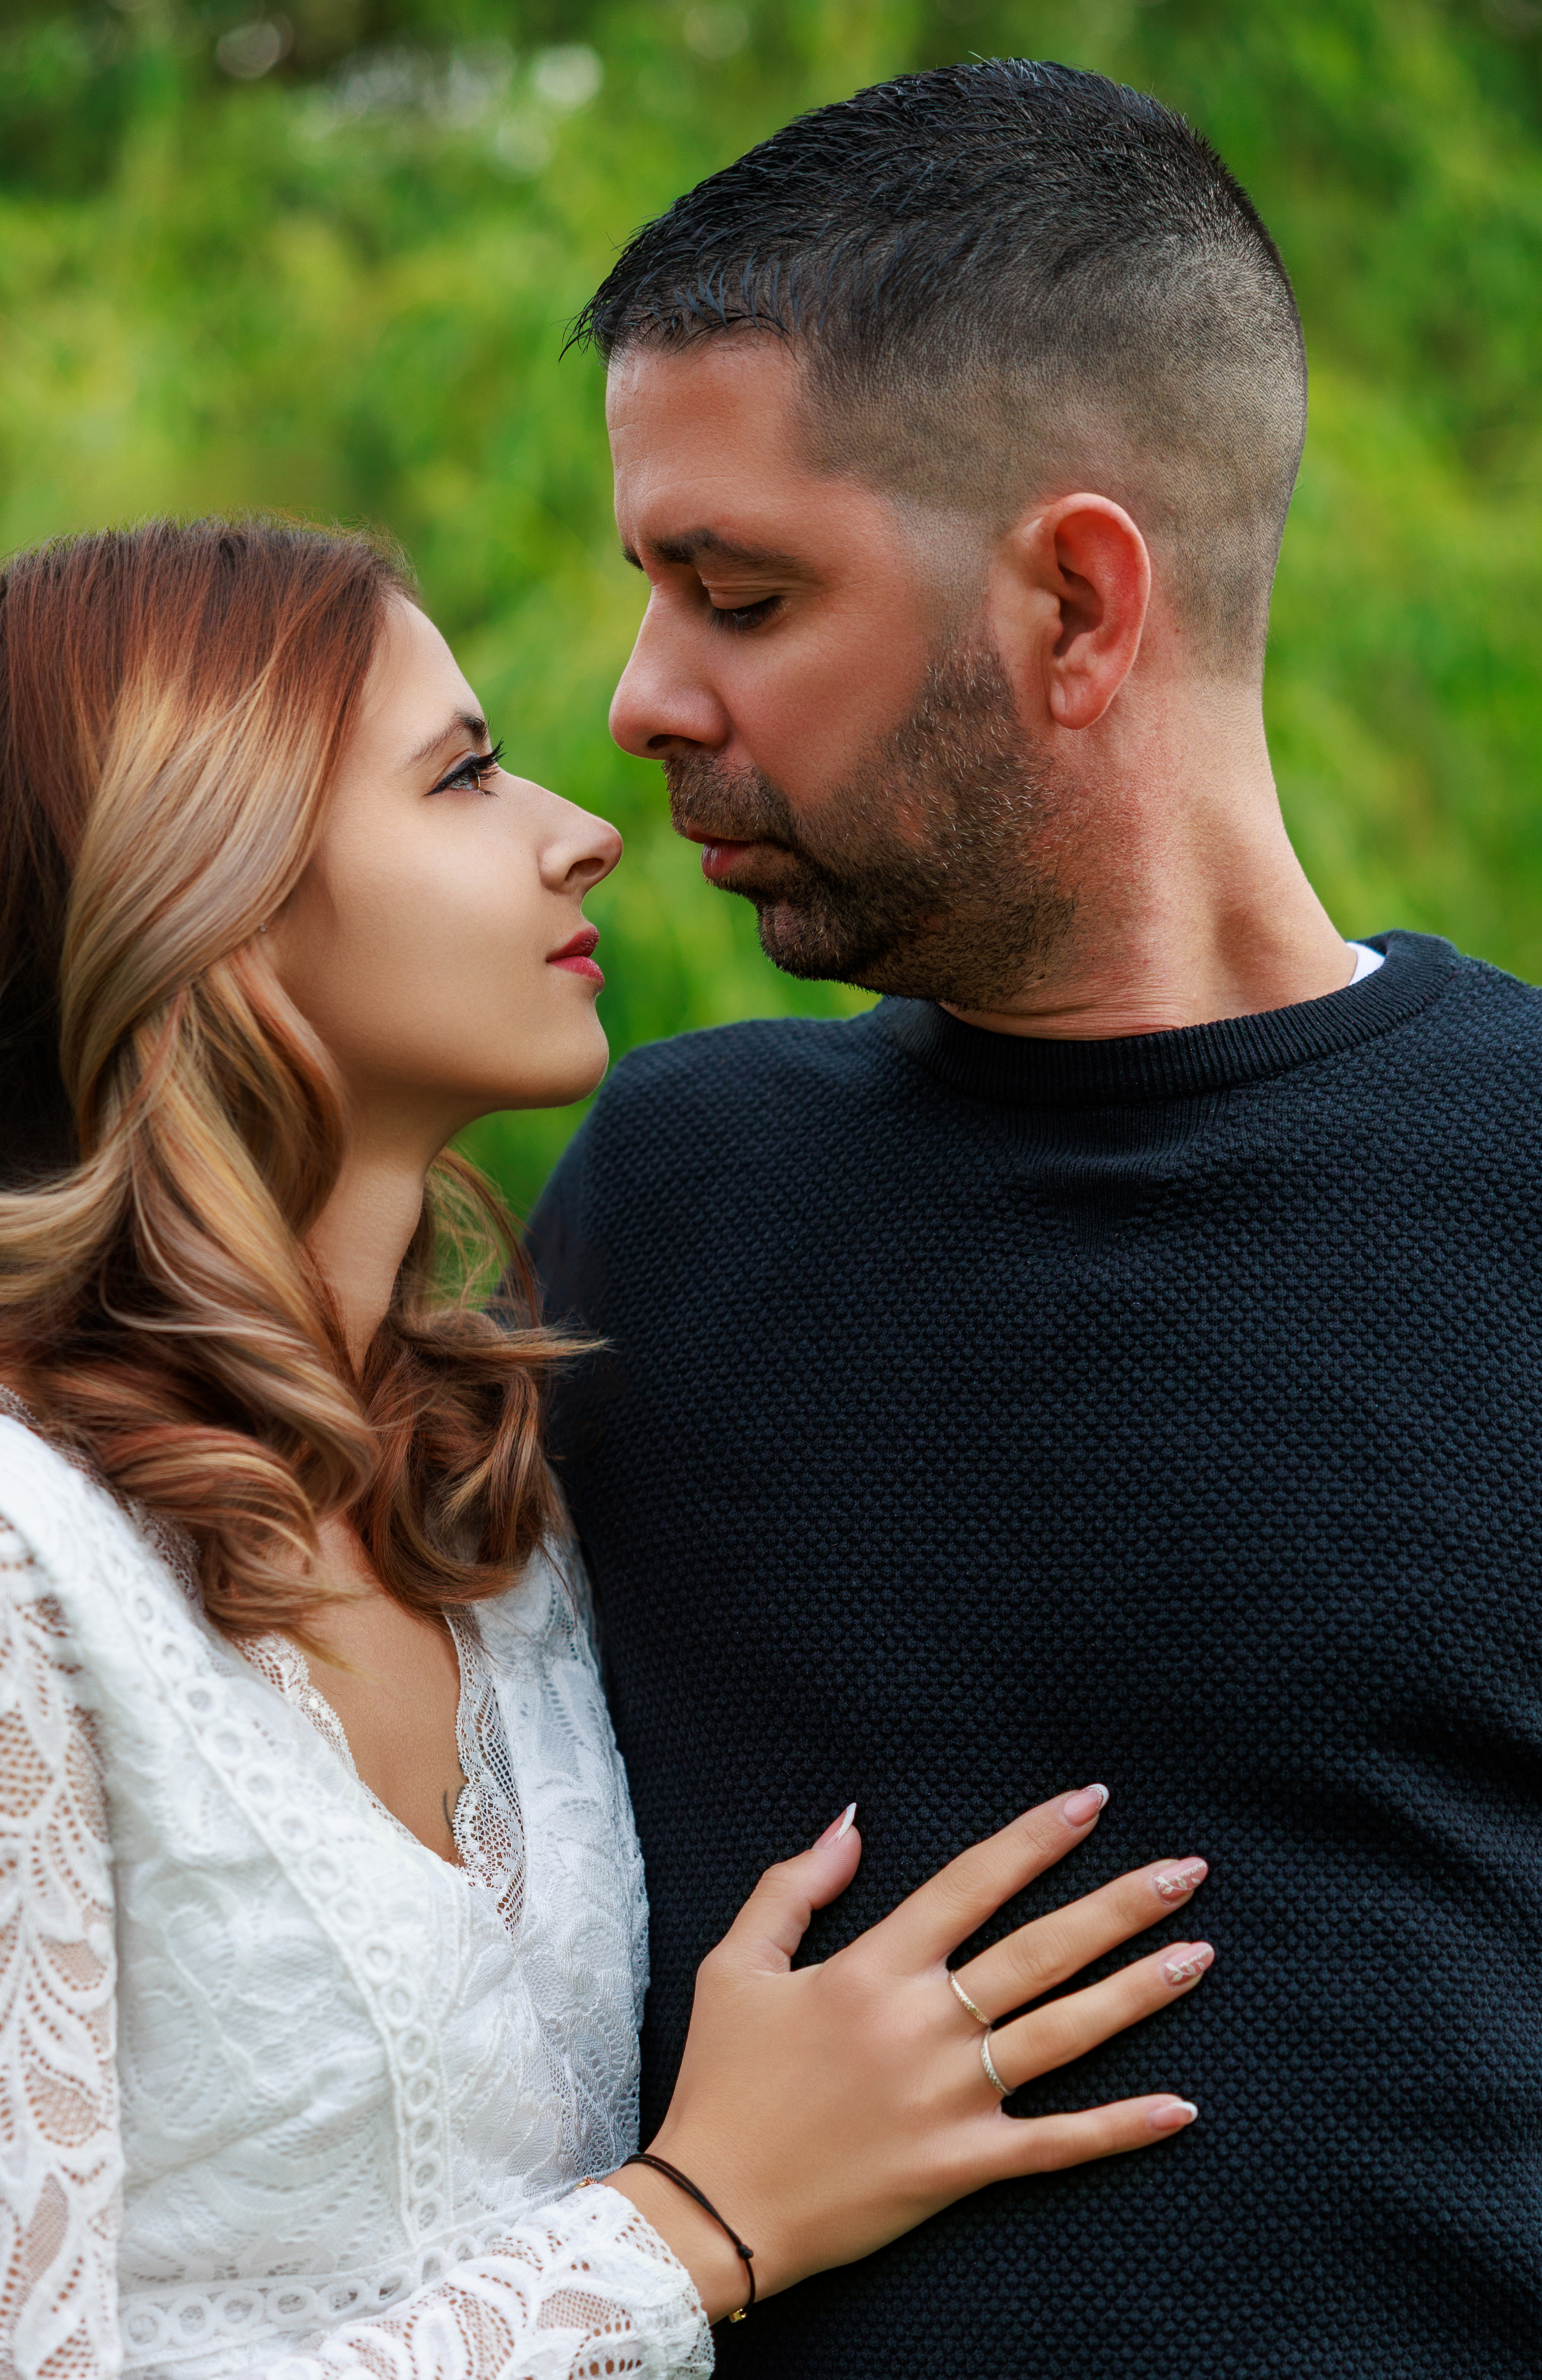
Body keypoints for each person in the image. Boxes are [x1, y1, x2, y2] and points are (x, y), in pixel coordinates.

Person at [0, 519, 1214, 2380]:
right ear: (207, 886)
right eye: (463, 774)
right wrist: (697, 2226)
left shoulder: (491, 1501)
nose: (580, 825)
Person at [531, 61, 1542, 2379]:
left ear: (1078, 599)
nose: (638, 696)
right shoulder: (654, 1209)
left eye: (740, 592)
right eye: (650, 587)